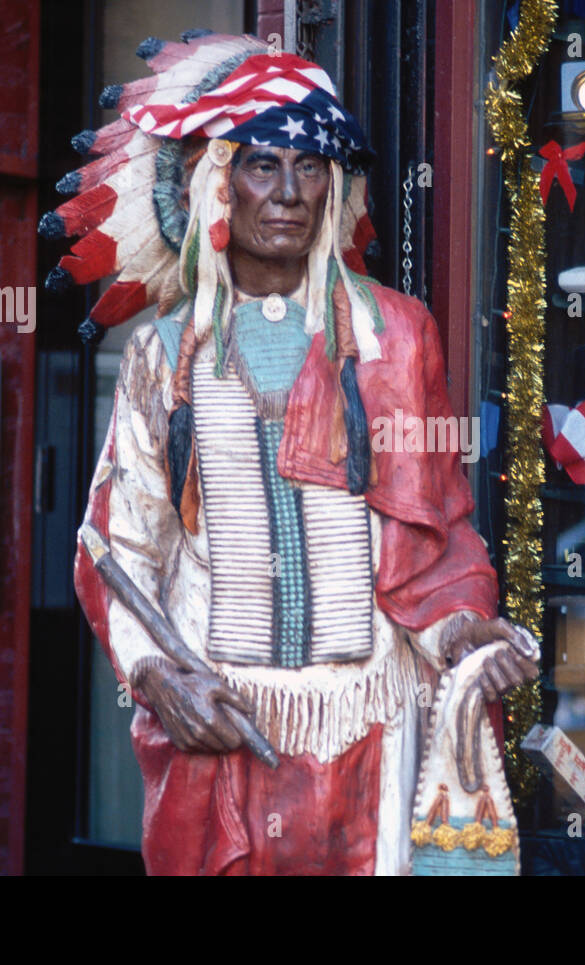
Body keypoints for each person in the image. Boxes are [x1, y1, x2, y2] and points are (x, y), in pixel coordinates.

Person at [43, 31, 538, 875]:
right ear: (219, 180)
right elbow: (116, 548)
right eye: (263, 165)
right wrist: (160, 679)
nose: (287, 193)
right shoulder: (165, 356)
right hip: (223, 721)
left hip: (372, 727)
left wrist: (465, 634)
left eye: (310, 168)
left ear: (335, 188)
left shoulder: (397, 334)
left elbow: (441, 527)